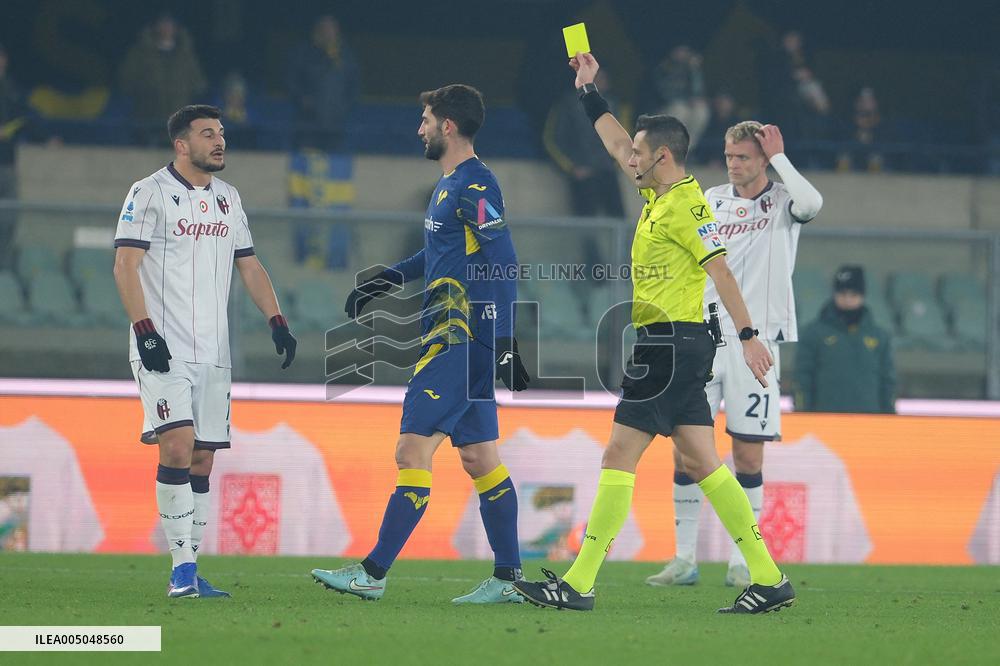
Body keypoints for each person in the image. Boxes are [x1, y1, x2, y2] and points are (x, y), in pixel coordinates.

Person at [514, 52, 795, 614]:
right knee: (704, 464)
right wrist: (590, 92)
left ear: (662, 157)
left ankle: (579, 582)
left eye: (640, 152)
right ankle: (768, 577)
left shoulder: (687, 209)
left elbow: (722, 272)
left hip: (669, 344)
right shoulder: (657, 192)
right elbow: (616, 143)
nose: (629, 157)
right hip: (679, 345)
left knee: (619, 454)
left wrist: (748, 335)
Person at [311, 84, 530, 604]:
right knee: (480, 459)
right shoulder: (449, 185)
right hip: (459, 338)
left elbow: (502, 264)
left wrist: (503, 343)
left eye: (426, 119)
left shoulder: (476, 186)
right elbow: (442, 256)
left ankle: (373, 572)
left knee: (412, 449)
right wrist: (387, 278)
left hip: (459, 339)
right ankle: (509, 578)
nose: (420, 128)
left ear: (447, 126)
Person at [113, 104, 297, 598]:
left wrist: (276, 319)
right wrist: (145, 331)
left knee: (202, 461)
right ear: (181, 144)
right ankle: (181, 571)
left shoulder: (229, 199)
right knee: (176, 444)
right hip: (162, 346)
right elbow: (125, 265)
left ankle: (192, 567)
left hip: (214, 351)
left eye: (222, 134)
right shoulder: (147, 192)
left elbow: (250, 266)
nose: (219, 142)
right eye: (208, 134)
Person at [645, 120, 823, 590]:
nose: (734, 164)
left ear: (763, 159)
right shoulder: (710, 199)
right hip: (706, 339)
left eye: (743, 156)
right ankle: (684, 558)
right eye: (729, 156)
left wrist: (782, 157)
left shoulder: (784, 201)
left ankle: (744, 560)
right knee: (687, 451)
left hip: (757, 343)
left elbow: (813, 204)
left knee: (747, 455)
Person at [795, 266, 896, 414]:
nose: (848, 299)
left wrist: (890, 416)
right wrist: (802, 413)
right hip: (825, 420)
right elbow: (802, 378)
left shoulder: (879, 336)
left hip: (870, 422)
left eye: (854, 294)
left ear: (862, 295)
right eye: (843, 293)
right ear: (835, 294)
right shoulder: (814, 333)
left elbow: (888, 381)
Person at [543, 69, 624, 218]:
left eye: (604, 78)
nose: (601, 81)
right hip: (581, 173)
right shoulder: (567, 104)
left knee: (618, 218)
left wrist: (617, 164)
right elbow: (552, 140)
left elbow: (626, 140)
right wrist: (572, 168)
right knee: (586, 222)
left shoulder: (615, 105)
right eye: (597, 77)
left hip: (608, 172)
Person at [119, 14, 207, 146]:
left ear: (176, 28)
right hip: (147, 120)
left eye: (170, 24)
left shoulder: (186, 55)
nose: (166, 28)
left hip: (178, 124)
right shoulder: (140, 53)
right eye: (163, 24)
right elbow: (125, 81)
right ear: (155, 27)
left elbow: (199, 84)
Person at [287, 15, 359, 152]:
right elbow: (292, 82)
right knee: (307, 163)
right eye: (325, 30)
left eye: (332, 30)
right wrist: (303, 100)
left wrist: (342, 107)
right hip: (308, 124)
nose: (329, 34)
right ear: (317, 32)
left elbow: (354, 86)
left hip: (335, 125)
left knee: (333, 164)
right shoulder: (304, 54)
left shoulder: (346, 57)